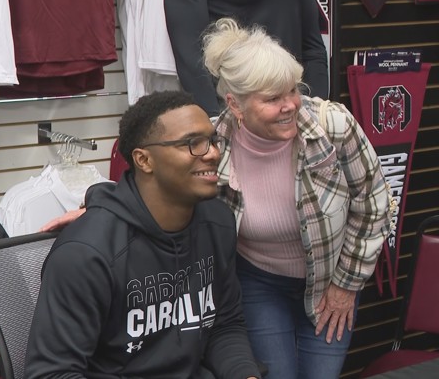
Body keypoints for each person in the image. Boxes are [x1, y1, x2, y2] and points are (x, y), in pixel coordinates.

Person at [201, 17, 391, 378]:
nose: (291, 105)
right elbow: (160, 190)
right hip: (258, 283)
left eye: (293, 90)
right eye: (273, 98)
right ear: (236, 104)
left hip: (331, 280)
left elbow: (374, 203)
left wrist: (346, 286)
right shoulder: (214, 142)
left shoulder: (332, 126)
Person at [25, 90, 262, 379]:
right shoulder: (86, 254)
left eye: (212, 141)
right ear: (144, 160)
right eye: (192, 143)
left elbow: (224, 325)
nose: (212, 153)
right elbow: (52, 373)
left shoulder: (218, 221)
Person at [163, 0, 329, 117]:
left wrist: (315, 110)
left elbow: (311, 45)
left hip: (292, 107)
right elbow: (190, 57)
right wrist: (215, 125)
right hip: (234, 112)